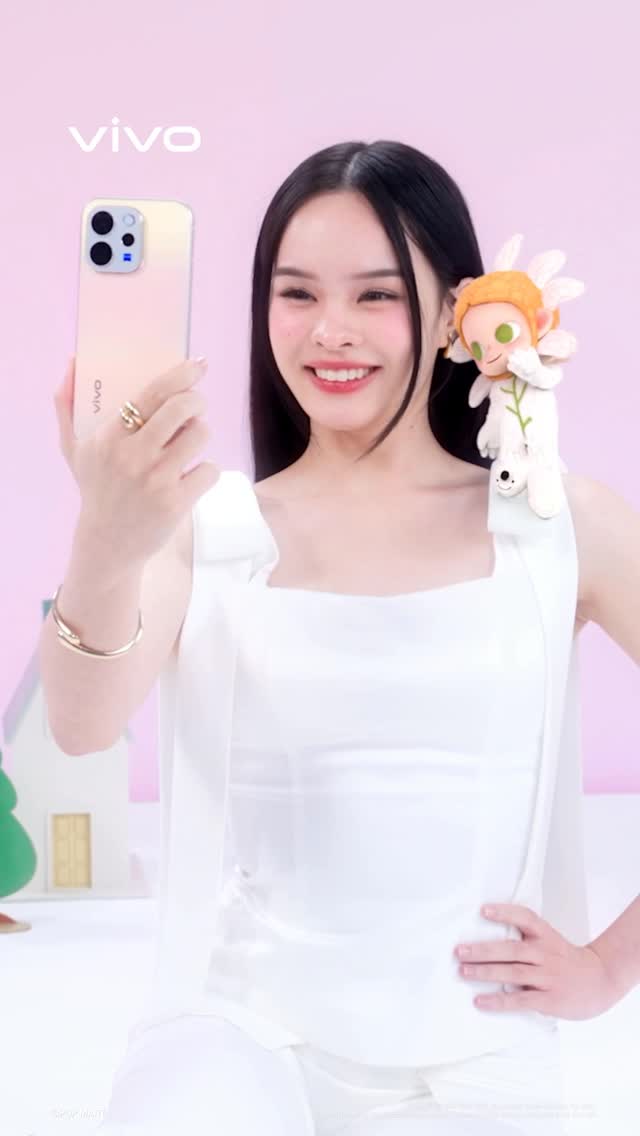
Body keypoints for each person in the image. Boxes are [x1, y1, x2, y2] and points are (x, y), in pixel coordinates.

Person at [49, 140, 617, 1134]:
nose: (330, 331)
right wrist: (105, 532)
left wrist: (609, 967)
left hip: (483, 1054)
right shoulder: (206, 525)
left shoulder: (554, 522)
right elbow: (81, 724)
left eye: (376, 294)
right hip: (237, 1031)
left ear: (456, 311)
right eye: (296, 293)